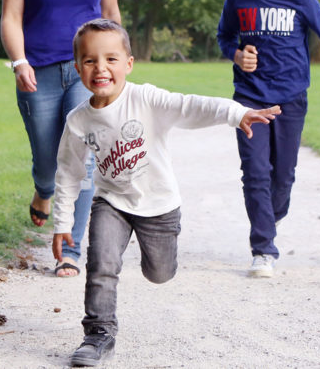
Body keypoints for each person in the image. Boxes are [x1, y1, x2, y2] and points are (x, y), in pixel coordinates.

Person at [52, 18, 280, 367]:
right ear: (78, 66)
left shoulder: (145, 99)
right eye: (89, 60)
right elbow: (68, 172)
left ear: (128, 63)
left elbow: (192, 105)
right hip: (110, 202)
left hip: (159, 206)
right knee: (101, 264)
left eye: (111, 59)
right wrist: (63, 222)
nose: (101, 68)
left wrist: (238, 113)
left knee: (159, 273)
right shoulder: (78, 120)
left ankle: (160, 255)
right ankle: (98, 334)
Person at [0, 0, 121, 277]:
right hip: (38, 71)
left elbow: (111, 18)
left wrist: (114, 64)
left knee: (83, 159)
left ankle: (71, 248)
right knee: (47, 162)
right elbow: (11, 18)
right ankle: (44, 192)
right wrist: (19, 62)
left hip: (87, 72)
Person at [216, 0, 320, 278]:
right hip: (249, 99)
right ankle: (263, 248)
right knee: (256, 173)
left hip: (291, 99)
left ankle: (268, 217)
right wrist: (235, 55)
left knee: (283, 178)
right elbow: (224, 36)